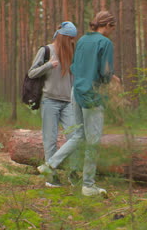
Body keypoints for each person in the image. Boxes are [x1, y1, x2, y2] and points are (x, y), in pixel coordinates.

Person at [38, 11, 120, 197]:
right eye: (113, 27)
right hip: (92, 94)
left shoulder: (82, 40)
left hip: (76, 91)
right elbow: (105, 71)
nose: (113, 31)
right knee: (93, 141)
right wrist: (110, 81)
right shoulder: (105, 43)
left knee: (78, 135)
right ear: (107, 25)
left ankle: (49, 164)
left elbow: (75, 67)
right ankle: (88, 185)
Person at [28, 21, 78, 187]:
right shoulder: (46, 50)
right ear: (63, 36)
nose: (72, 42)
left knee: (75, 136)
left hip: (68, 103)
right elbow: (32, 73)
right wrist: (48, 65)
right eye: (70, 38)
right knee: (50, 139)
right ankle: (52, 177)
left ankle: (73, 173)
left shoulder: (72, 53)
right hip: (49, 101)